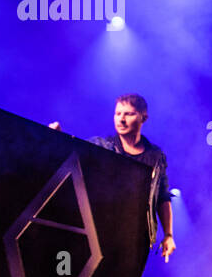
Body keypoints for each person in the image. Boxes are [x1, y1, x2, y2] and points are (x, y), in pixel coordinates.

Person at [50, 93, 175, 266]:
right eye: (118, 114)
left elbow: (163, 197)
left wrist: (168, 234)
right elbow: (73, 156)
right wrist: (58, 137)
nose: (121, 119)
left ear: (143, 117)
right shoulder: (101, 146)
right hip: (99, 233)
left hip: (136, 240)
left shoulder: (156, 157)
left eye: (129, 114)